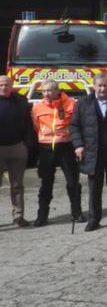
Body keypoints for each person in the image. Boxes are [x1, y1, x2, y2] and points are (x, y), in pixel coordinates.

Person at [70, 73, 107, 231]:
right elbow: (74, 126)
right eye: (99, 85)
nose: (102, 88)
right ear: (93, 86)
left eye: (105, 85)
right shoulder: (83, 103)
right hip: (93, 152)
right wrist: (78, 145)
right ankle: (94, 219)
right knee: (95, 188)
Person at [31, 80, 82, 227]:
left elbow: (76, 125)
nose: (46, 94)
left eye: (49, 90)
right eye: (44, 91)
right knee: (46, 183)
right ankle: (42, 216)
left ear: (57, 90)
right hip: (46, 149)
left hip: (66, 146)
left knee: (73, 182)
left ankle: (77, 213)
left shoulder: (71, 104)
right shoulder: (37, 107)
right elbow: (36, 127)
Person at [0, 75, 33, 227]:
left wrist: (26, 145)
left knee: (17, 185)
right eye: (1, 85)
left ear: (12, 86)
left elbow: (28, 124)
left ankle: (18, 216)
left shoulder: (21, 101)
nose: (3, 87)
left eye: (6, 84)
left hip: (17, 148)